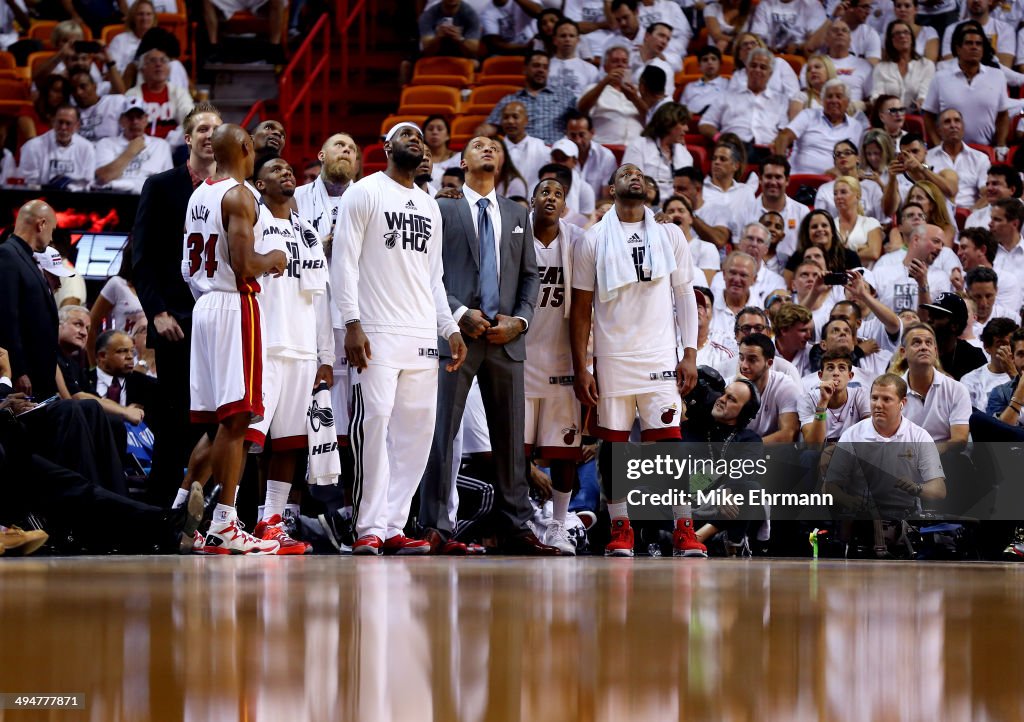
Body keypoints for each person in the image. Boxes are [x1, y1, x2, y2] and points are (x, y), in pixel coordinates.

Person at [420, 135, 552, 555]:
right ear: (462, 160)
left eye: (494, 145)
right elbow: (430, 270)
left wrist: (520, 321)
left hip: (506, 337)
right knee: (442, 432)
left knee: (512, 440)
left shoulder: (517, 211)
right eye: (478, 145)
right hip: (460, 335)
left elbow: (531, 276)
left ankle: (516, 524)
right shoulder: (443, 209)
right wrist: (459, 313)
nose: (488, 149)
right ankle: (435, 524)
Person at [571, 162, 701, 557]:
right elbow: (580, 309)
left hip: (660, 354)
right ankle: (620, 527)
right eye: (625, 173)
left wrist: (690, 353)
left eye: (640, 175)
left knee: (669, 446)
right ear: (611, 190)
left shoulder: (670, 234)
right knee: (613, 447)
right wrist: (583, 365)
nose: (634, 177)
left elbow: (684, 296)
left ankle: (684, 527)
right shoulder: (592, 239)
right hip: (612, 357)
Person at [182, 123, 287, 555]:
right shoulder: (240, 196)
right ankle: (225, 521)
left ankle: (179, 509)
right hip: (234, 304)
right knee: (239, 419)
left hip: (204, 306)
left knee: (219, 422)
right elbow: (245, 264)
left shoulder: (198, 193)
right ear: (245, 148)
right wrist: (275, 257)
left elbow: (188, 267)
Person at [132, 102, 221, 504]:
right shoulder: (161, 185)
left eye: (215, 129)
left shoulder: (234, 190)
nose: (208, 134)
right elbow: (143, 258)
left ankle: (217, 513)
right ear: (188, 138)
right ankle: (158, 515)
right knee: (174, 421)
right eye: (201, 128)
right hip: (177, 322)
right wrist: (158, 313)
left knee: (226, 422)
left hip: (222, 321)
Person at [523, 178, 586, 554]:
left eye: (558, 194)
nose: (550, 197)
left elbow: (615, 237)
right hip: (522, 359)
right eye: (544, 191)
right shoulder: (514, 238)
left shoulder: (578, 240)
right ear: (531, 200)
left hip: (563, 360)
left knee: (566, 452)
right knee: (516, 453)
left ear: (565, 206)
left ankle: (560, 525)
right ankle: (525, 519)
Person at [825, 373, 946, 520]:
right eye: (874, 398)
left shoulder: (919, 436)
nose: (878, 404)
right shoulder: (852, 435)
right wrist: (849, 501)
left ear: (902, 403)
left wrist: (916, 488)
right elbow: (829, 487)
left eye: (886, 399)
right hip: (863, 516)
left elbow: (939, 490)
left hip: (907, 517)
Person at [0, 200, 60, 399]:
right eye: (52, 229)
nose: (52, 237)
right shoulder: (7, 255)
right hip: (26, 376)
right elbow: (6, 317)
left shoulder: (26, 258)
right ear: (41, 224)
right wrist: (18, 370)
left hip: (39, 375)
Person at [923, 21, 1009, 150]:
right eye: (969, 43)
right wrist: (937, 145)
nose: (974, 47)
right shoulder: (940, 77)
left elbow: (1003, 115)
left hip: (985, 150)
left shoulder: (997, 76)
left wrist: (1001, 145)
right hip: (949, 150)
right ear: (958, 49)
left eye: (978, 44)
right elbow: (928, 115)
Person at [698, 47, 788, 161]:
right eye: (753, 65)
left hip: (766, 151)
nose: (757, 70)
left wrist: (776, 144)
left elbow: (784, 131)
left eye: (763, 67)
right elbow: (705, 123)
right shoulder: (727, 95)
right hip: (732, 149)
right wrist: (720, 138)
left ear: (770, 73)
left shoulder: (780, 100)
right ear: (746, 69)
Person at [897, 323, 972, 445]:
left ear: (935, 351)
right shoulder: (893, 391)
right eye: (916, 342)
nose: (924, 347)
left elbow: (960, 440)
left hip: (946, 459)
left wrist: (925, 456)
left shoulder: (956, 389)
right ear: (903, 352)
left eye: (929, 343)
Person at [773, 80, 869, 175]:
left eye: (839, 96)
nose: (834, 100)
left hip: (836, 184)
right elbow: (783, 137)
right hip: (799, 177)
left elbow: (859, 159)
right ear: (822, 101)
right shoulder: (808, 115)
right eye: (829, 96)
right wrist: (781, 167)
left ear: (847, 102)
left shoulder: (856, 126)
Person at [481, 51, 577, 145]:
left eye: (545, 67)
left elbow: (581, 121)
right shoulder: (510, 101)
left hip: (556, 153)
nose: (541, 70)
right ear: (525, 69)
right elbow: (489, 127)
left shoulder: (565, 96)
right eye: (536, 66)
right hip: (522, 153)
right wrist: (481, 135)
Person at [93, 96, 173, 193]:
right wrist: (131, 151)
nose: (135, 122)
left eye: (139, 117)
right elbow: (103, 177)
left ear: (146, 120)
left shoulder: (160, 145)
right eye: (130, 118)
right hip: (115, 198)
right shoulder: (106, 143)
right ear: (121, 121)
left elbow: (169, 184)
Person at [734, 332, 800, 441]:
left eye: (752, 360)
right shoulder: (730, 385)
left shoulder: (785, 386)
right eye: (741, 358)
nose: (744, 365)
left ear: (769, 363)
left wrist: (749, 449)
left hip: (771, 453)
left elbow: (789, 434)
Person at [622, 101, 693, 201]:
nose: (687, 129)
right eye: (683, 123)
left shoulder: (684, 154)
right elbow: (629, 184)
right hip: (644, 205)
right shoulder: (638, 146)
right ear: (669, 123)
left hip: (674, 207)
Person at [576, 45, 646, 145]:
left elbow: (650, 118)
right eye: (615, 61)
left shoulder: (639, 91)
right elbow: (581, 109)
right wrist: (605, 82)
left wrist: (634, 98)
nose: (620, 65)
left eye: (624, 61)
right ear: (605, 67)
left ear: (628, 67)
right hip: (604, 146)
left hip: (633, 148)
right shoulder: (593, 88)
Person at [798, 349, 870, 443]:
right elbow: (813, 445)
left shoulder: (860, 395)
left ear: (850, 376)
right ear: (820, 375)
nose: (836, 373)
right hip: (820, 453)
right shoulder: (808, 400)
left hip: (850, 452)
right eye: (830, 368)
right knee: (809, 456)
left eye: (842, 368)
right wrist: (822, 403)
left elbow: (870, 434)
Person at [16, 104, 95, 189]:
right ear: (53, 122)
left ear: (77, 125)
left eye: (68, 123)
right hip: (41, 198)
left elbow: (87, 184)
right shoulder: (32, 147)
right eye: (60, 122)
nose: (63, 127)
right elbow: (28, 184)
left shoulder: (87, 148)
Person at [926, 109, 990, 209]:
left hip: (970, 212)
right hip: (938, 214)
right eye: (947, 122)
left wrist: (970, 215)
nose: (953, 125)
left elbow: (987, 194)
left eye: (957, 121)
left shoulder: (980, 159)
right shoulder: (928, 157)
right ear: (939, 130)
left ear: (963, 127)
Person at [754, 155, 810, 268]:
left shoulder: (802, 212)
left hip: (791, 274)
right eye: (768, 176)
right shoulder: (744, 209)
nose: (773, 182)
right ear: (760, 179)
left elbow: (808, 249)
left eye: (778, 177)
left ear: (787, 180)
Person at [918, 292, 987, 380]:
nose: (929, 319)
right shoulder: (918, 349)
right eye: (930, 314)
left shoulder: (973, 357)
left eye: (937, 316)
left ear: (955, 325)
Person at [870, 19, 935, 111]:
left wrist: (920, 102)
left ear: (912, 38)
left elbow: (925, 93)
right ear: (891, 40)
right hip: (889, 117)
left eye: (906, 32)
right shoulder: (881, 68)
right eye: (897, 33)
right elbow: (876, 95)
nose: (902, 36)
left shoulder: (926, 65)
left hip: (915, 116)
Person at [814, 139, 885, 221]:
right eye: (838, 154)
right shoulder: (824, 190)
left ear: (858, 158)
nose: (842, 156)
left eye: (847, 153)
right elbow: (819, 221)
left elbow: (883, 222)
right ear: (835, 162)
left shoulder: (872, 187)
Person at [961, 316, 1017, 408]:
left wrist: (1012, 372)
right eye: (1001, 344)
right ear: (987, 347)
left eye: (1011, 344)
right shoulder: (970, 381)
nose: (1008, 350)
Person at [662, 195, 720, 283]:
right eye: (671, 211)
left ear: (691, 219)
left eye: (681, 211)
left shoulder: (707, 248)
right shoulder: (657, 248)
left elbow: (705, 287)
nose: (676, 214)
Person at [564, 110, 617, 200]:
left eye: (581, 135)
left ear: (591, 133)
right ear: (566, 134)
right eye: (573, 135)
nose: (577, 140)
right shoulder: (559, 154)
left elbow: (607, 198)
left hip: (597, 209)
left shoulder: (606, 157)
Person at [831, 175, 884, 264]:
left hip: (864, 275)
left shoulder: (871, 223)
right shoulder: (830, 224)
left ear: (857, 195)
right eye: (835, 193)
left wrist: (841, 255)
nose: (838, 196)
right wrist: (857, 249)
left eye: (843, 192)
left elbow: (874, 253)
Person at [501, 101, 550, 190]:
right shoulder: (495, 148)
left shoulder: (541, 147)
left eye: (515, 117)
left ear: (526, 120)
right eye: (506, 117)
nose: (510, 121)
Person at [68, 69, 125, 143]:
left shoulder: (115, 102)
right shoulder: (69, 113)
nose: (78, 92)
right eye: (73, 89)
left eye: (83, 86)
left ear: (95, 86)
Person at [548, 19, 602, 96]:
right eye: (563, 36)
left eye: (571, 36)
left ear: (578, 40)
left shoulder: (591, 70)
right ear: (554, 40)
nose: (567, 39)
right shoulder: (545, 67)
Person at [965, 164, 1022, 229]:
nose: (989, 188)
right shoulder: (974, 218)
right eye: (987, 184)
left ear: (1012, 190)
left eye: (995, 184)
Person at [422, 115, 461, 189]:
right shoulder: (419, 160)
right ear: (423, 135)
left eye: (439, 129)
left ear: (448, 135)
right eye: (430, 129)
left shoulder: (459, 158)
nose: (434, 132)